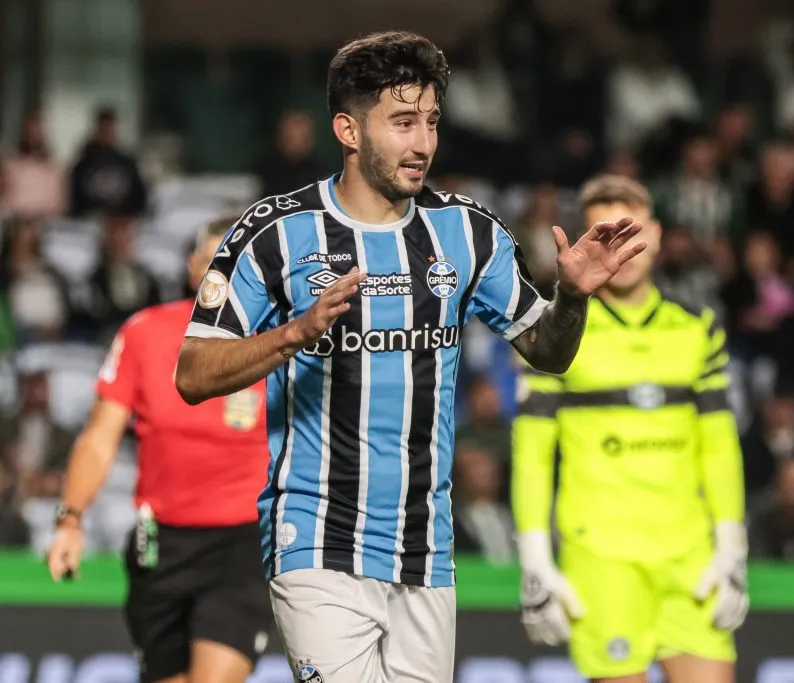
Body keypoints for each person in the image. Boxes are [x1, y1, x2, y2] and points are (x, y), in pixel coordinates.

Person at [173, 31, 645, 683]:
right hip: (317, 538)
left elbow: (549, 351)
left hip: (428, 549)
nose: (423, 143)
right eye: (401, 123)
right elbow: (192, 373)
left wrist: (570, 296)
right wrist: (291, 334)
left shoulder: (468, 231)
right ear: (348, 128)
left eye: (430, 122)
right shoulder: (275, 233)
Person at [511, 174, 748, 683]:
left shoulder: (697, 327)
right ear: (584, 241)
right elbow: (531, 451)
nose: (621, 247)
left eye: (632, 230)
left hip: (690, 558)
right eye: (605, 231)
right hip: (601, 561)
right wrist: (534, 560)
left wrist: (732, 544)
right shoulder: (556, 331)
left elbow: (719, 444)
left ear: (658, 235)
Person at [45, 215, 275, 683]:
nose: (227, 273)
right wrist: (70, 520)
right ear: (194, 268)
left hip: (241, 542)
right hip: (160, 544)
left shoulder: (275, 342)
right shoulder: (144, 334)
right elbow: (99, 436)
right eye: (216, 260)